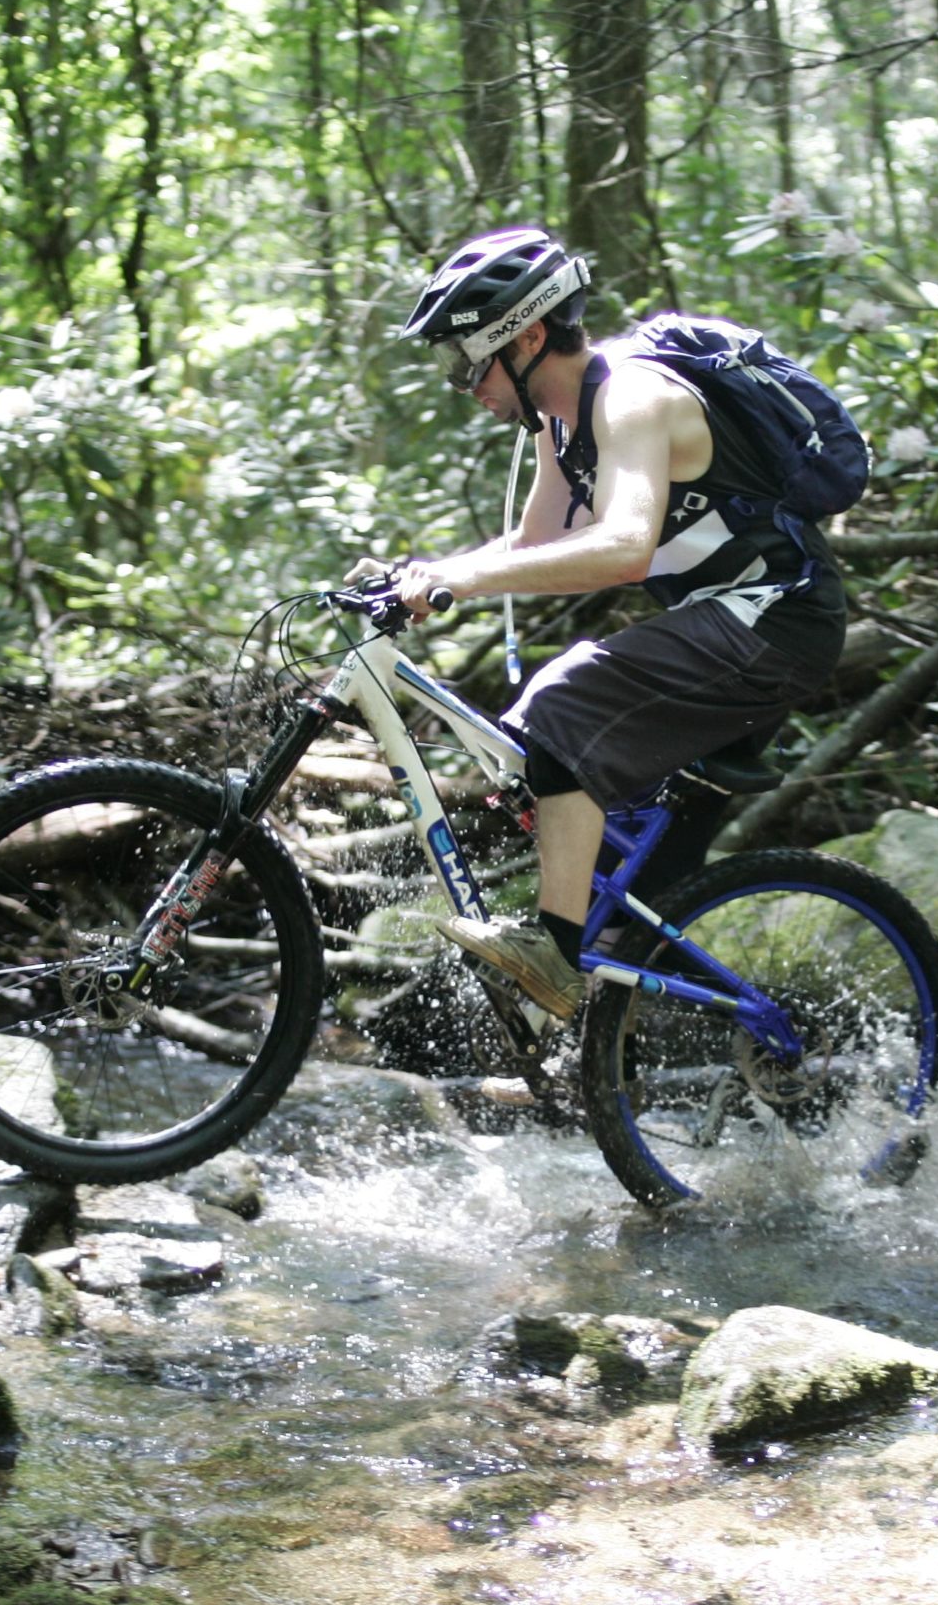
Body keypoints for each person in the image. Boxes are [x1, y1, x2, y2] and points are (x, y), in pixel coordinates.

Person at [354, 225, 848, 1019]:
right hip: (731, 625)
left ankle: (550, 950)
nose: (462, 383)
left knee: (563, 705)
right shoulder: (561, 421)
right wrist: (419, 575)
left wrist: (457, 579)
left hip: (776, 621)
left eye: (466, 360)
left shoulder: (632, 399)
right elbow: (535, 546)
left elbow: (622, 547)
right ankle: (699, 1040)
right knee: (635, 917)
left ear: (529, 337)